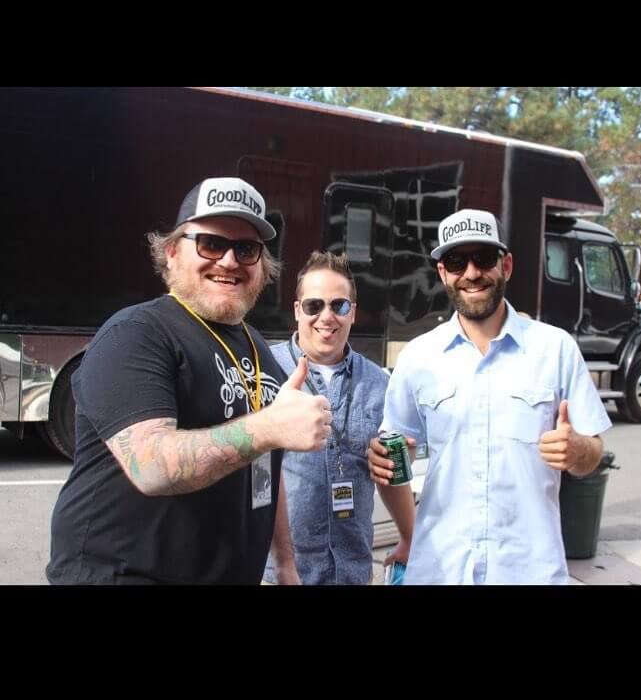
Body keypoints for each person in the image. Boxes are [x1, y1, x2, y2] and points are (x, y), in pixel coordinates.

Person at [46, 176, 332, 585]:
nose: (230, 261)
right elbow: (152, 466)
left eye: (246, 249)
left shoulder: (257, 348)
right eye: (211, 244)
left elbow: (265, 464)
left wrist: (285, 562)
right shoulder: (136, 333)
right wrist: (268, 427)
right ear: (172, 252)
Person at [367, 209, 612, 585]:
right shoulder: (418, 358)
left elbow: (592, 455)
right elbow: (396, 455)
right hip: (440, 569)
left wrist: (577, 449)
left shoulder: (555, 349)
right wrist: (388, 464)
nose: (471, 273)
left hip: (530, 569)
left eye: (483, 258)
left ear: (507, 265)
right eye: (455, 261)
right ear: (442, 274)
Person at [264, 251, 416, 584]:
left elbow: (389, 473)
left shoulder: (379, 383)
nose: (326, 317)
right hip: (282, 575)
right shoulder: (265, 371)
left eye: (339, 305)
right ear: (297, 310)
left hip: (351, 572)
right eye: (314, 305)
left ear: (353, 313)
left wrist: (409, 535)